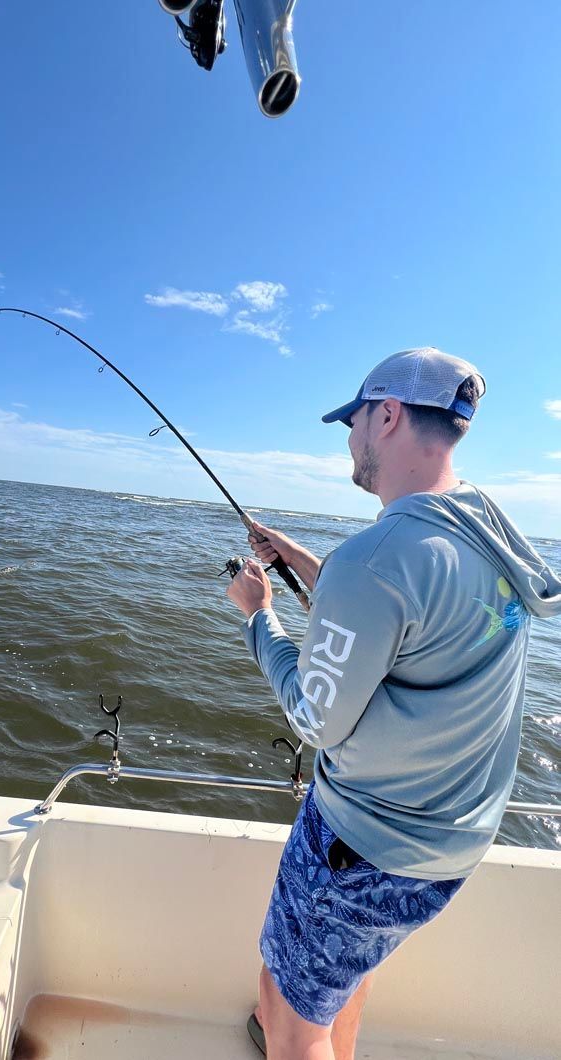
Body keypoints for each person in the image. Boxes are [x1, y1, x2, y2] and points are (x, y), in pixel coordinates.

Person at [226, 347, 561, 1060]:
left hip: (362, 847)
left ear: (386, 414)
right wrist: (307, 563)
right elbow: (413, 626)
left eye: (352, 421)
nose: (348, 438)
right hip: (449, 845)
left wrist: (260, 615)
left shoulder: (374, 560)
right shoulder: (485, 532)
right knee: (342, 976)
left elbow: (314, 717)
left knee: (290, 1024)